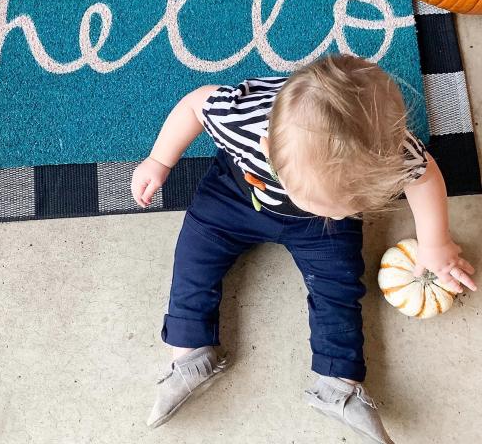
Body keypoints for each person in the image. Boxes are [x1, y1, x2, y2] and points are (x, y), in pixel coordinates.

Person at [130, 53, 477, 443]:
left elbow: (424, 176)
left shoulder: (391, 149)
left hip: (320, 231)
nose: (348, 210)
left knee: (340, 285)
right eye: (333, 202)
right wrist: (159, 161)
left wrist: (436, 242)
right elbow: (195, 104)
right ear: (269, 149)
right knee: (194, 258)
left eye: (354, 204)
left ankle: (338, 383)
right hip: (237, 195)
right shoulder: (242, 118)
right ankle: (189, 354)